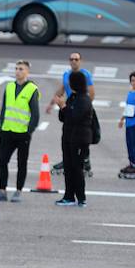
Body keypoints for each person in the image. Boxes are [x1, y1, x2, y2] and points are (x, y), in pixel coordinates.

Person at [0, 60, 39, 202]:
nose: (18, 71)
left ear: (27, 72)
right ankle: (2, 190)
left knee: (21, 163)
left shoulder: (32, 89)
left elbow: (35, 114)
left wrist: (29, 131)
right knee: (1, 160)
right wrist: (1, 124)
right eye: (16, 68)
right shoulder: (9, 86)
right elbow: (4, 108)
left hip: (22, 133)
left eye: (21, 69)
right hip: (7, 130)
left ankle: (18, 190)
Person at [47, 51, 95, 176]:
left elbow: (92, 93)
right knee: (68, 134)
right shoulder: (66, 74)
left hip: (81, 106)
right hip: (70, 105)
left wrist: (86, 107)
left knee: (82, 135)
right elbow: (61, 89)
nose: (74, 61)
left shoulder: (86, 75)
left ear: (80, 61)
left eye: (76, 59)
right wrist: (52, 104)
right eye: (71, 59)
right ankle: (67, 159)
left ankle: (85, 160)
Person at [55, 71, 94, 207]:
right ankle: (69, 196)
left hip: (79, 140)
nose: (69, 84)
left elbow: (75, 117)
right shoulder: (73, 97)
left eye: (71, 82)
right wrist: (61, 107)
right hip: (68, 138)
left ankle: (81, 197)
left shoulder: (84, 99)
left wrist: (64, 107)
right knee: (68, 168)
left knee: (77, 168)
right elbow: (63, 118)